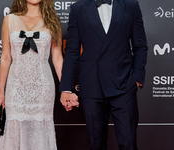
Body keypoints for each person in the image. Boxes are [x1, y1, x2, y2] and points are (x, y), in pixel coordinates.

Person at [60, 0, 148, 149]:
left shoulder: (131, 5)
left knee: (129, 144)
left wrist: (137, 78)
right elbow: (72, 52)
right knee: (96, 144)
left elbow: (140, 45)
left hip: (124, 85)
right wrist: (66, 89)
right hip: (92, 86)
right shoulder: (78, 8)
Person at [0, 0, 65, 149]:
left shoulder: (52, 21)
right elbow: (6, 58)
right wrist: (1, 93)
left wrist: (66, 89)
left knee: (41, 132)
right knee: (14, 130)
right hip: (16, 87)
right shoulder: (9, 20)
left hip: (43, 88)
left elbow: (57, 58)